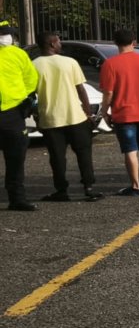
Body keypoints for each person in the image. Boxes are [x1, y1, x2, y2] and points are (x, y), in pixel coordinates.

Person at [31, 31, 102, 203]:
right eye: (58, 41)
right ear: (52, 44)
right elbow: (81, 89)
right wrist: (88, 113)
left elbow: (31, 94)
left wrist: (36, 116)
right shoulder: (69, 62)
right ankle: (89, 188)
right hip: (75, 117)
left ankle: (61, 190)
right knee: (84, 153)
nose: (60, 43)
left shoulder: (34, 65)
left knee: (56, 157)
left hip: (50, 118)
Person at [98, 28, 139, 194]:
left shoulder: (110, 64)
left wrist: (105, 112)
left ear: (115, 43)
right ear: (135, 42)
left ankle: (135, 186)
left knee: (130, 149)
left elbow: (108, 92)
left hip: (123, 113)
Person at [0, 22, 39, 210]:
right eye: (3, 34)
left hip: (12, 113)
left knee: (16, 158)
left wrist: (24, 99)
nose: (6, 37)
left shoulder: (18, 54)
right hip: (11, 113)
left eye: (8, 34)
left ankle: (17, 199)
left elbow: (31, 79)